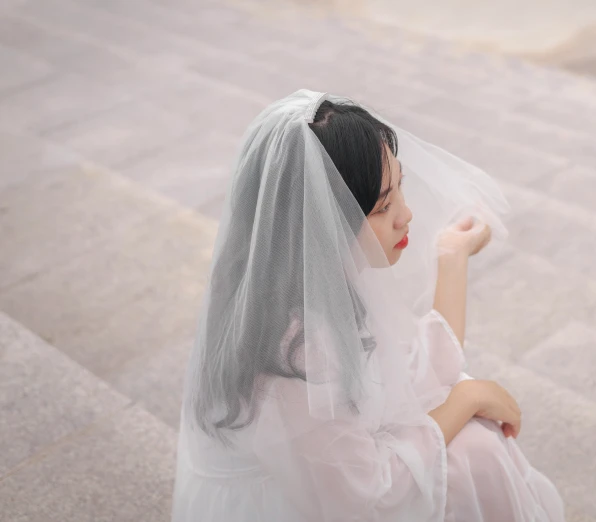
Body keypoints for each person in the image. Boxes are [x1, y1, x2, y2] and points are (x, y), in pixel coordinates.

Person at [171, 89, 566, 521]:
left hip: (336, 481)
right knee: (477, 448)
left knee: (471, 437)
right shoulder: (293, 350)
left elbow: (413, 369)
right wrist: (467, 399)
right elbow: (366, 498)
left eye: (400, 188)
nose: (406, 215)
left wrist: (451, 256)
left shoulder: (305, 288)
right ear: (318, 224)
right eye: (382, 206)